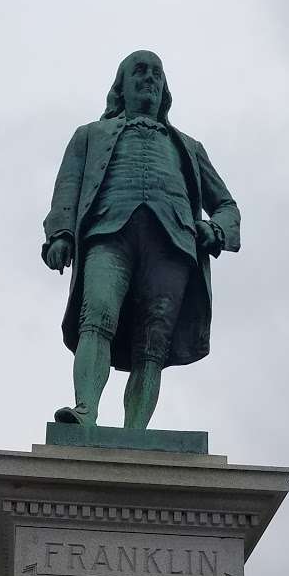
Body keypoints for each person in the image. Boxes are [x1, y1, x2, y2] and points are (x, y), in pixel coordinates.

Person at [42, 50, 240, 430]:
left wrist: (215, 230)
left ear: (165, 88)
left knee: (153, 344)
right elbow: (66, 188)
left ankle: (135, 434)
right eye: (140, 71)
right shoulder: (90, 135)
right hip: (108, 233)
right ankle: (85, 412)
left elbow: (227, 205)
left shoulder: (189, 146)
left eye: (157, 73)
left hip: (172, 245)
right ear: (122, 86)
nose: (149, 78)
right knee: (96, 316)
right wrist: (60, 234)